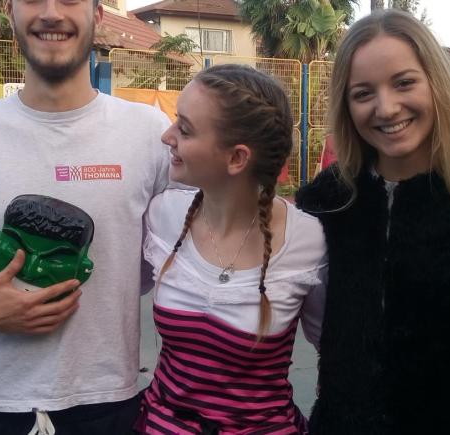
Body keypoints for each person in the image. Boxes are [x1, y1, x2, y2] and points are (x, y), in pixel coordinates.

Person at [0, 0, 171, 431]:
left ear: (97, 15)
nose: (51, 13)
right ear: (10, 11)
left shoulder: (150, 133)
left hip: (107, 400)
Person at [294, 10, 450, 434]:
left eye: (404, 83)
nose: (386, 107)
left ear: (437, 83)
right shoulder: (326, 202)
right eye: (363, 93)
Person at [138, 64, 327, 433]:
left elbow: (333, 349)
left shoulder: (308, 241)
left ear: (237, 158)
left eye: (185, 129)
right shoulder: (163, 214)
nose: (167, 136)